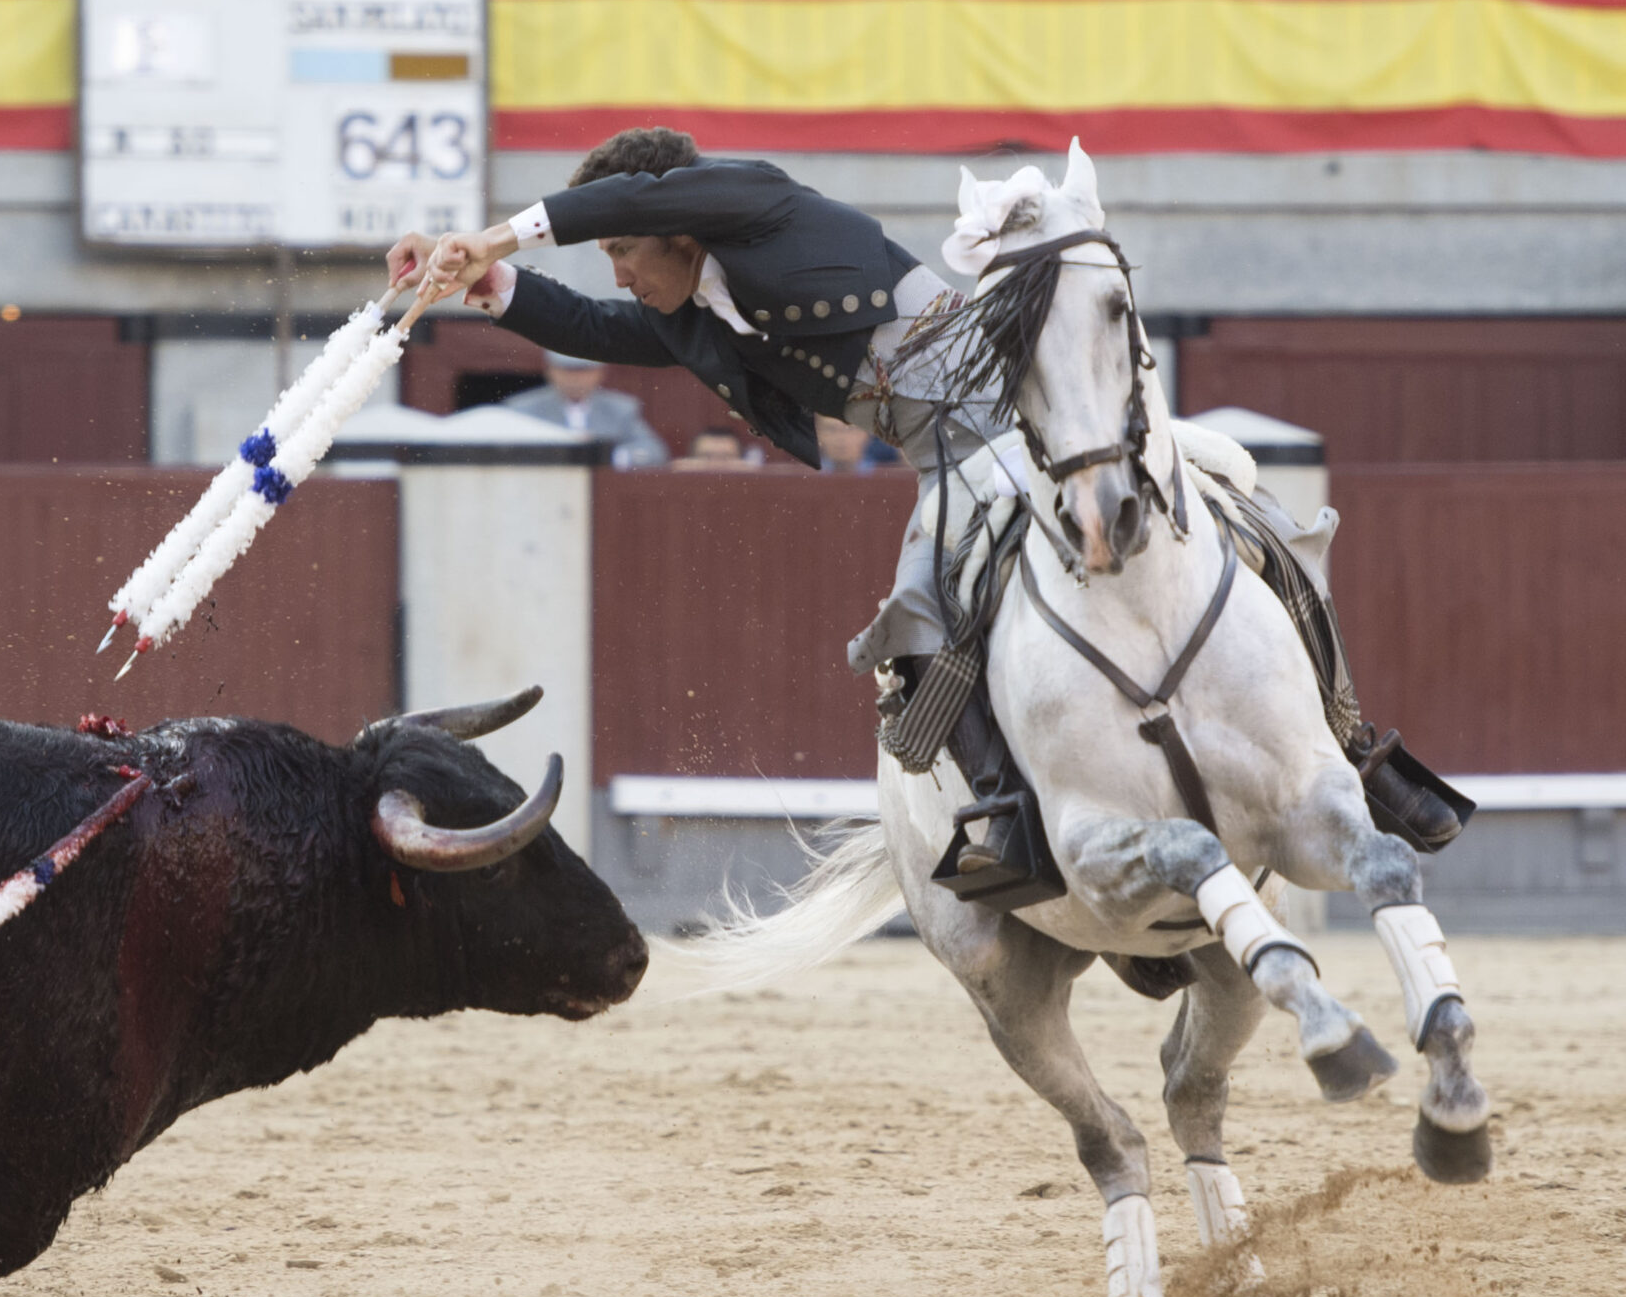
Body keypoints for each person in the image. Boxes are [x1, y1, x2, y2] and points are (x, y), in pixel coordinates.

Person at [389, 124, 1460, 859]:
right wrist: (490, 284)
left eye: (625, 249)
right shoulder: (689, 313)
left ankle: (1356, 747)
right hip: (944, 462)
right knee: (915, 636)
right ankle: (1008, 817)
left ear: (676, 224)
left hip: (1028, 415)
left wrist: (499, 229)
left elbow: (623, 206)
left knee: (1249, 521)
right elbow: (594, 329)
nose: (618, 270)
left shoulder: (754, 202)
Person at [502, 349, 667, 466]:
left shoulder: (621, 408)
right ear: (550, 371)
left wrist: (609, 457)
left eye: (583, 371)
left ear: (600, 372)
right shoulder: (523, 408)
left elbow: (653, 452)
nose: (575, 379)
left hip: (601, 495)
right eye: (567, 370)